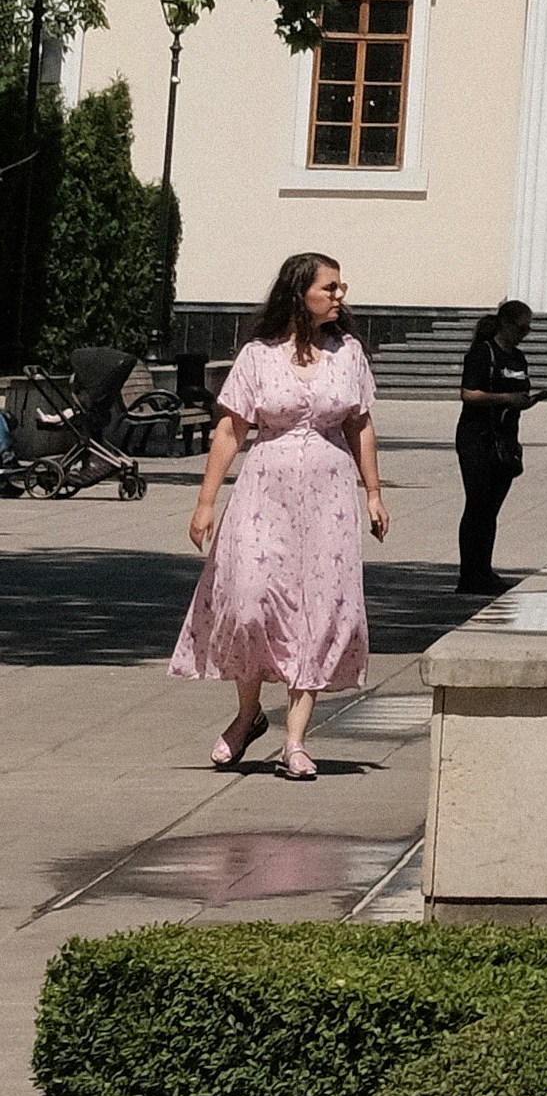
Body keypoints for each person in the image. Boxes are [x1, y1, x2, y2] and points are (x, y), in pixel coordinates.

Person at [172, 250, 385, 775]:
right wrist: (205, 503)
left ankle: (295, 741)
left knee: (318, 611)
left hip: (329, 499)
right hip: (264, 495)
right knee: (248, 602)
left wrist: (373, 492)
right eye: (329, 287)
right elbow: (230, 429)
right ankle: (249, 715)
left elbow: (360, 424)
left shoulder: (349, 353)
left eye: (340, 288)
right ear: (299, 293)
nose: (340, 295)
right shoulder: (258, 356)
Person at [453, 299, 535, 599]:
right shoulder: (482, 353)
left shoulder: (519, 358)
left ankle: (483, 570)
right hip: (477, 437)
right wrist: (504, 399)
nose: (524, 334)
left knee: (491, 509)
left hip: (505, 439)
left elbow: (520, 392)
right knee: (477, 505)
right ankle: (469, 574)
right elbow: (468, 394)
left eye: (528, 329)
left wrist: (525, 401)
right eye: (520, 328)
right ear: (505, 324)